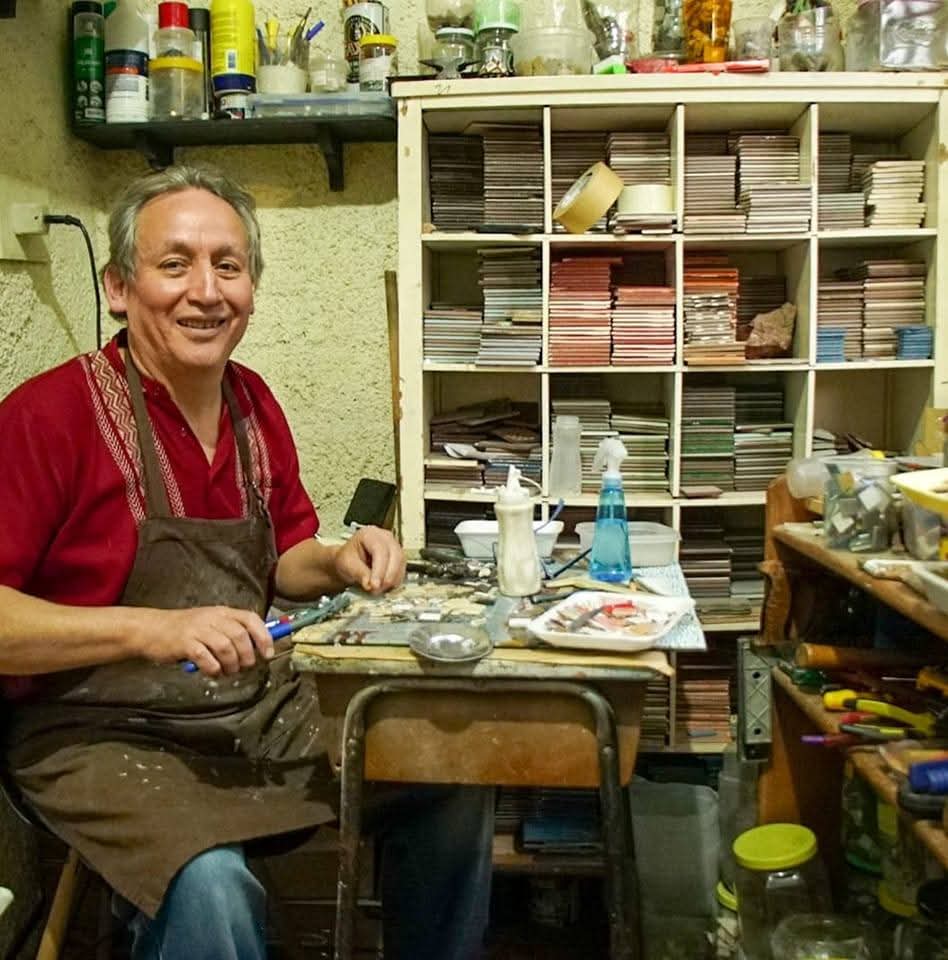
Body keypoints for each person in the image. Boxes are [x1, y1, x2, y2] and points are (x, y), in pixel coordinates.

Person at [0, 165, 494, 960]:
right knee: (212, 886)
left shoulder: (252, 402)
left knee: (447, 777)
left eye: (228, 266)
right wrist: (153, 632)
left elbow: (284, 560)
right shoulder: (49, 415)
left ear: (252, 288)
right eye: (175, 264)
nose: (207, 291)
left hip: (249, 710)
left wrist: (338, 560)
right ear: (119, 287)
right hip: (95, 733)